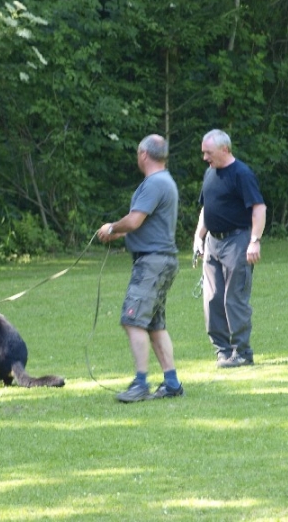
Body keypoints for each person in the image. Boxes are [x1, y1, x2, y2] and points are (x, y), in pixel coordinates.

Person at [97, 134, 183, 403]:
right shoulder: (165, 181)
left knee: (132, 320)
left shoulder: (153, 183)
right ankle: (171, 383)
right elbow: (147, 226)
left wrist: (111, 227)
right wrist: (121, 235)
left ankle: (140, 383)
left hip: (152, 262)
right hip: (163, 259)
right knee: (154, 325)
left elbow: (134, 221)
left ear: (143, 154)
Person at [193, 129, 266, 368]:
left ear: (225, 149)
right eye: (204, 152)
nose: (205, 157)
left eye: (208, 152)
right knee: (212, 299)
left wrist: (254, 240)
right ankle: (223, 351)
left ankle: (242, 353)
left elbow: (259, 208)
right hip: (213, 242)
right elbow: (207, 208)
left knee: (234, 299)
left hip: (237, 240)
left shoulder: (241, 174)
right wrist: (198, 237)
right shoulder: (210, 173)